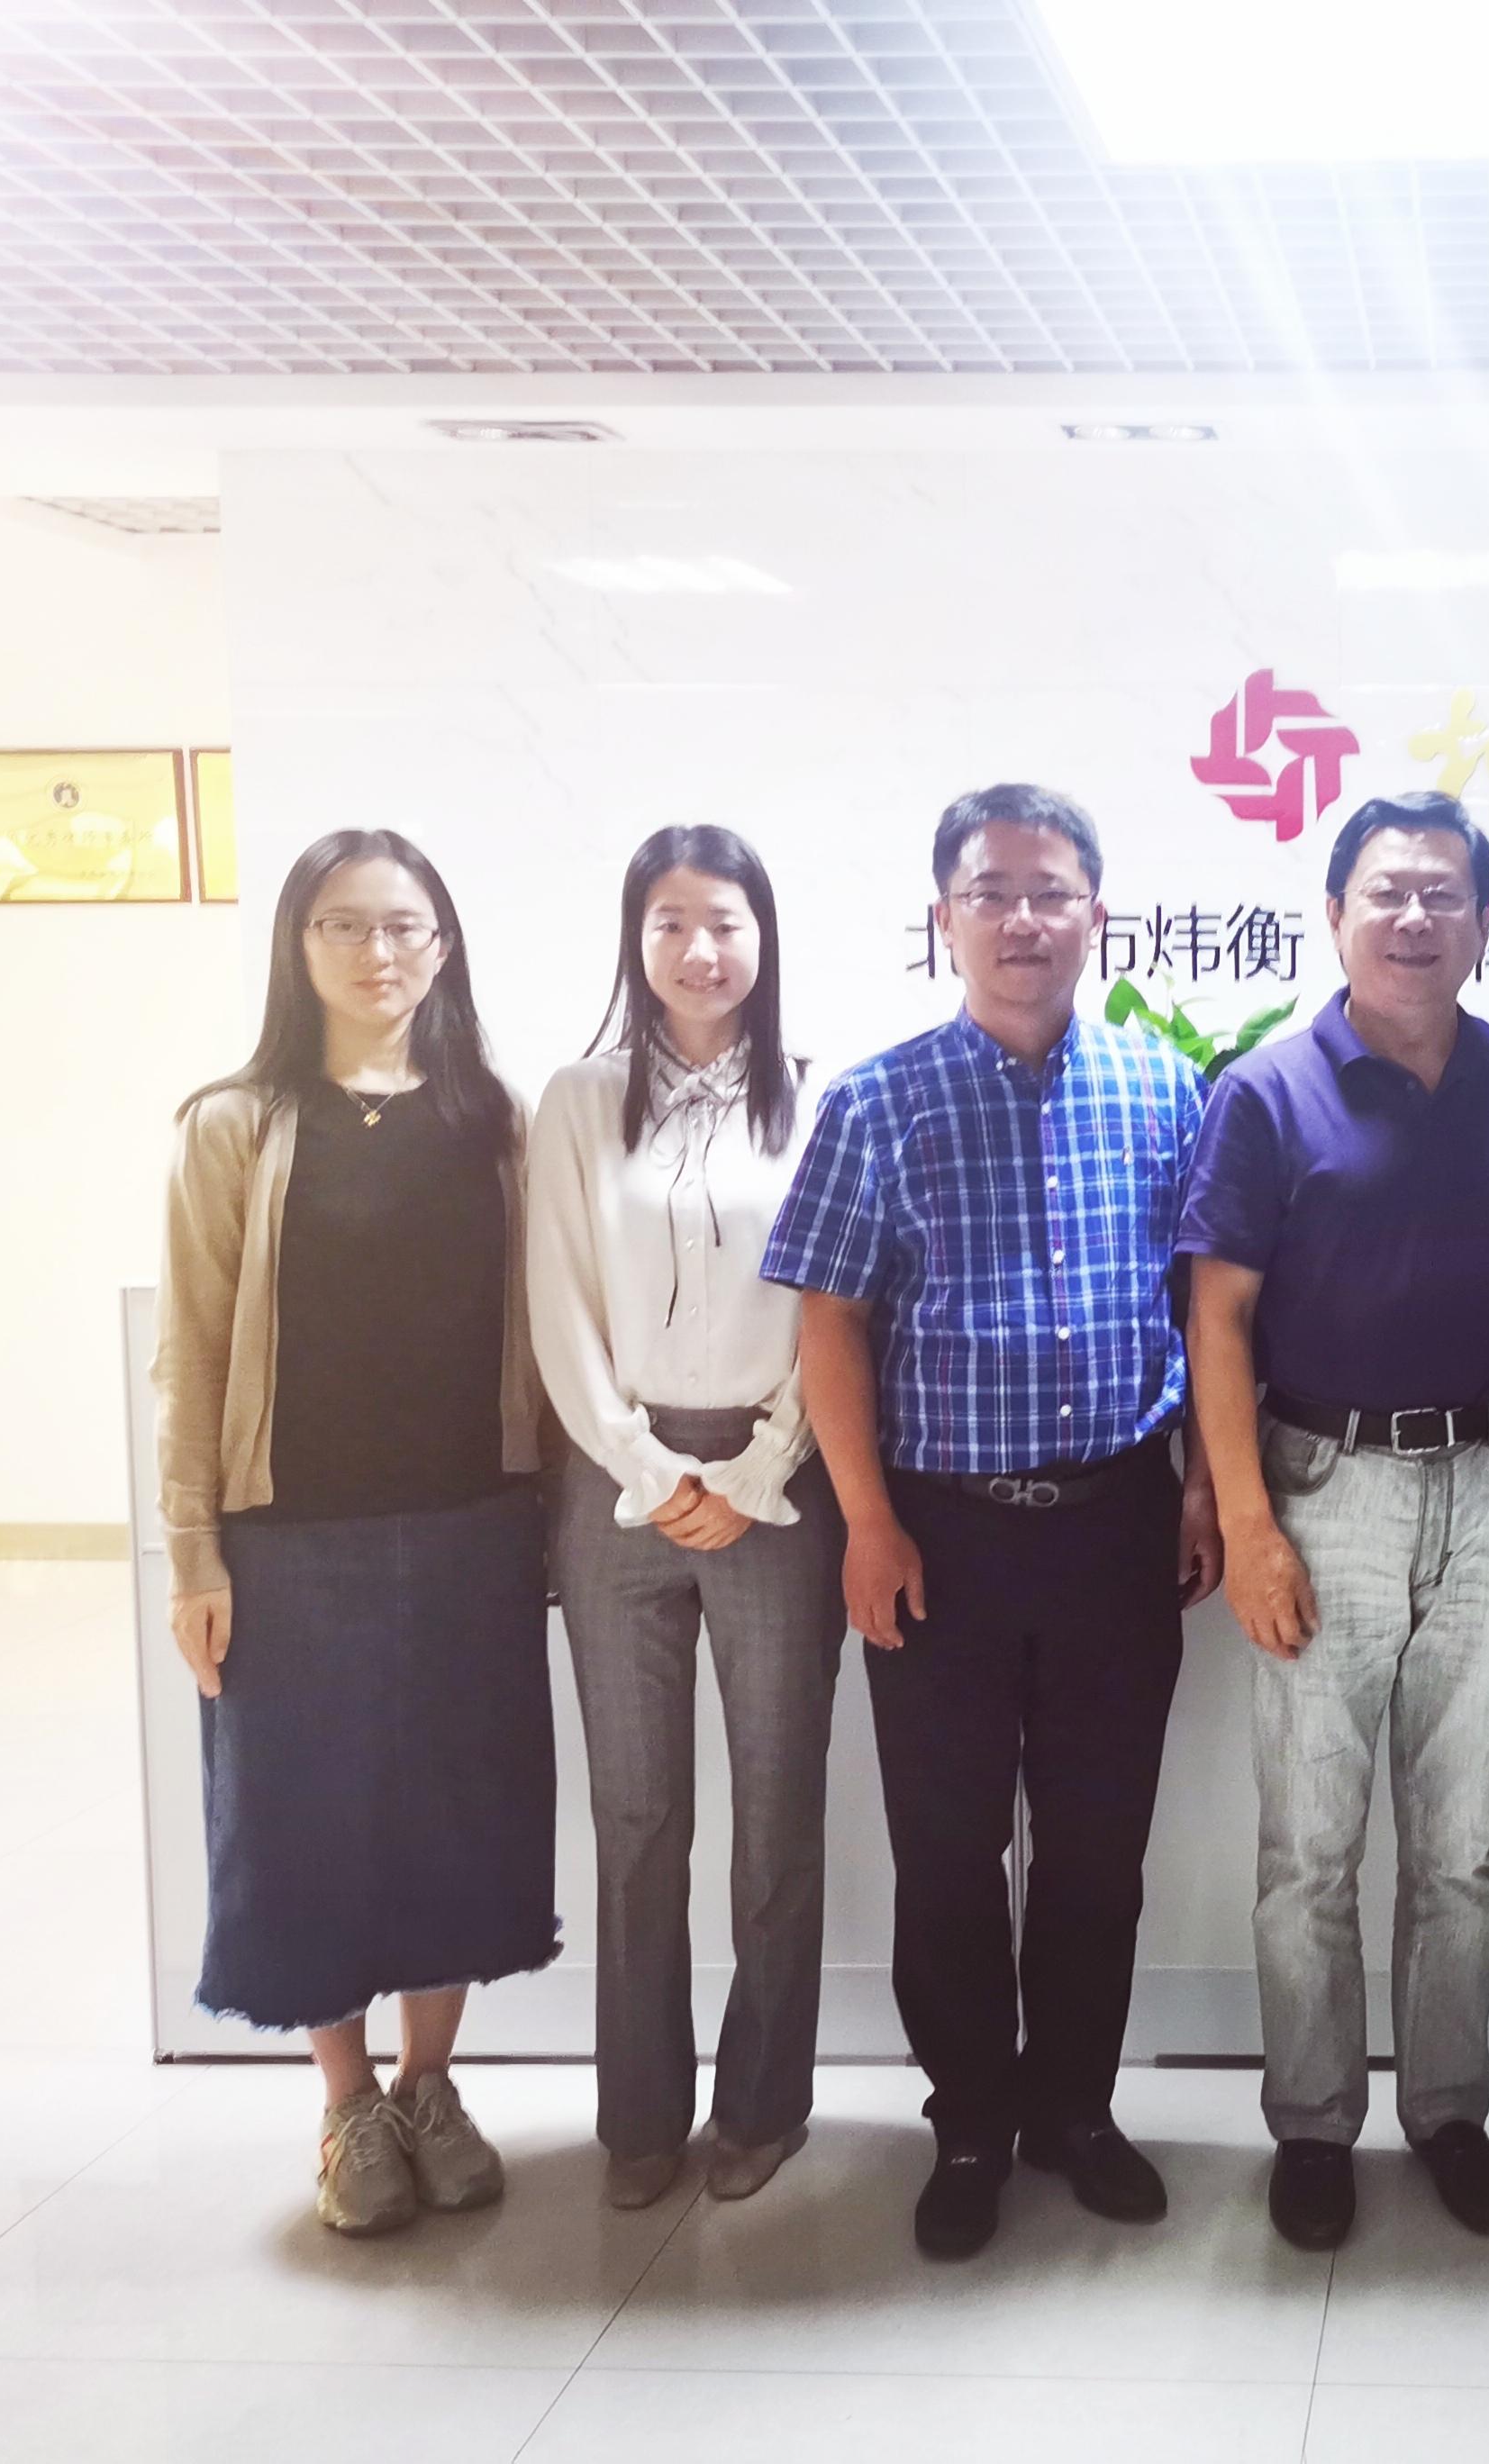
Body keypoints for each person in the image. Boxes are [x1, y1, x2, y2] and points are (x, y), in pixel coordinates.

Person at [762, 782, 1221, 2261]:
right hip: (938, 1537)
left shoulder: (1167, 1088)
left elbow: (1207, 1313)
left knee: (1097, 1848)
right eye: (992, 893)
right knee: (949, 1851)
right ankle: (968, 2121)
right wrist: (866, 1522)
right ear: (944, 918)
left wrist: (1201, 1488)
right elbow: (830, 1325)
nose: (1024, 919)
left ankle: (1075, 2112)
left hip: (1117, 1526)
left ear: (1098, 914)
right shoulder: (878, 1102)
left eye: (1051, 892)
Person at [1179, 791, 1489, 2255]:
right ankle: (1312, 2123)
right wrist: (1248, 1523)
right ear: (1335, 914)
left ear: (1484, 921)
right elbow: (1217, 1317)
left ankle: (1450, 2110)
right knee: (1310, 1847)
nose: (1416, 919)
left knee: (1461, 1842)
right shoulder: (1267, 1092)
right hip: (1320, 1483)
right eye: (1388, 893)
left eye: (1444, 895)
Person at [154, 828, 556, 2238]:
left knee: (457, 1814)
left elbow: (544, 1325)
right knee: (304, 1820)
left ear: (443, 947)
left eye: (404, 926)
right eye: (344, 925)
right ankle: (346, 2104)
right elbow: (192, 1352)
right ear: (298, 945)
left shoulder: (495, 1116)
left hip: (472, 1529)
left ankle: (430, 2085)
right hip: (290, 1539)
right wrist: (192, 1553)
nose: (378, 951)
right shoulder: (234, 1124)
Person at [529, 826, 846, 2212]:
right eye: (670, 923)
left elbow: (837, 1300)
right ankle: (641, 2119)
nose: (699, 949)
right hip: (617, 1491)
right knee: (638, 1815)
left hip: (779, 1484)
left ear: (764, 936)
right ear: (635, 939)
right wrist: (645, 1467)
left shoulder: (821, 1096)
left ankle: (764, 2107)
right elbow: (557, 1300)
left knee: (777, 1814)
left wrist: (764, 1467)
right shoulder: (578, 1100)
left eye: (724, 921)